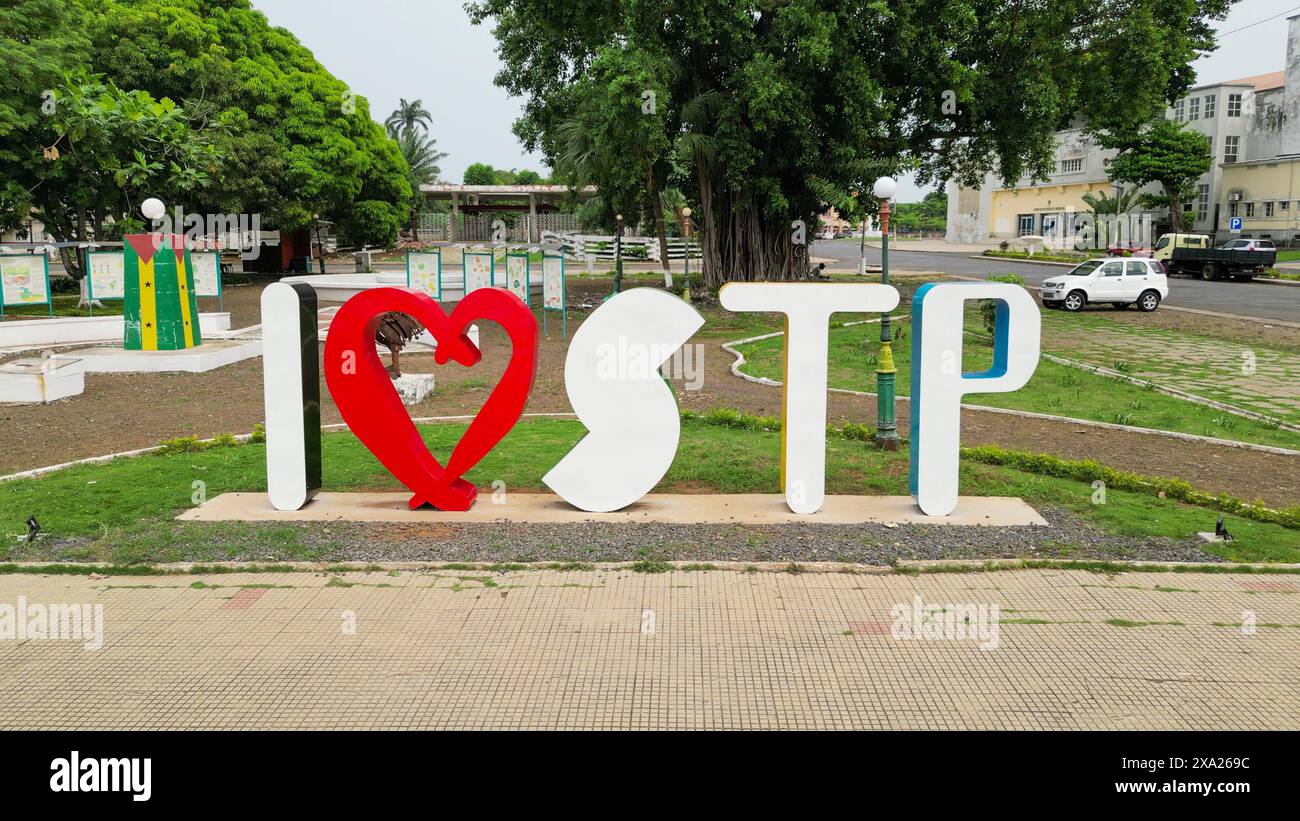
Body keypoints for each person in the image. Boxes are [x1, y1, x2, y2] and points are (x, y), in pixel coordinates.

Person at [375, 312, 423, 378]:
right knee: (393, 339)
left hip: (392, 316)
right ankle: (395, 367)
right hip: (383, 317)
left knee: (394, 339)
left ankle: (395, 367)